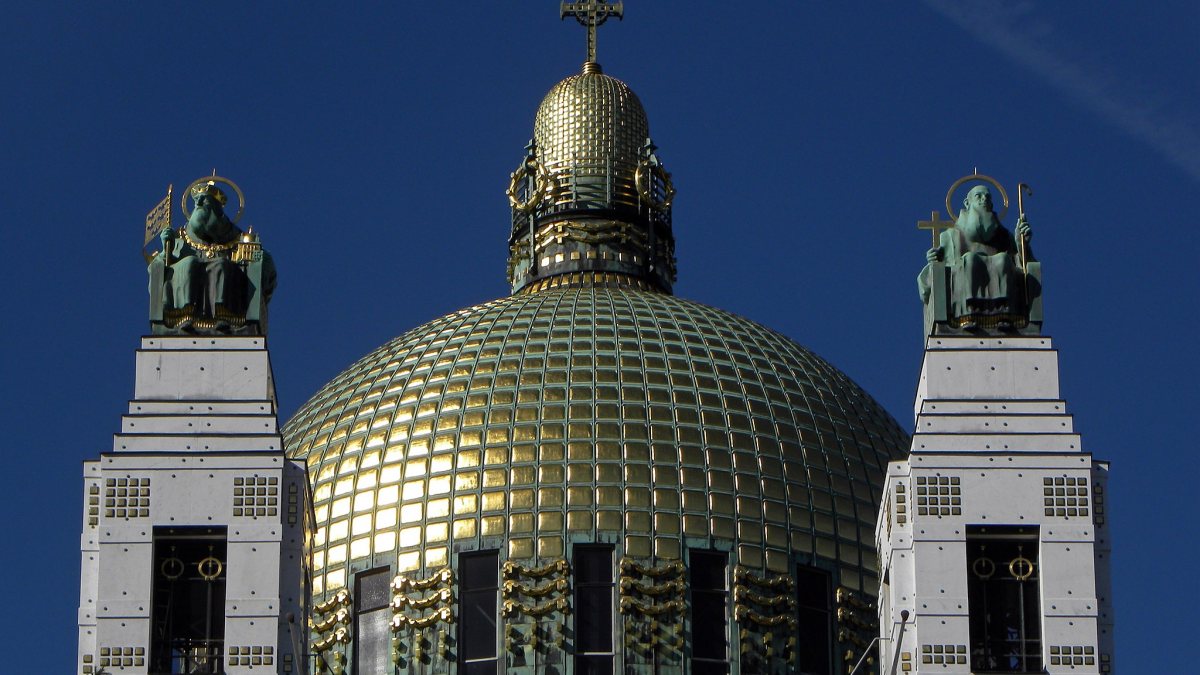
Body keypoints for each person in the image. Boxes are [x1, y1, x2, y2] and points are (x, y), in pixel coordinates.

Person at [151, 182, 276, 331]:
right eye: (196, 201)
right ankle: (185, 317)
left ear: (217, 208)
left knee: (221, 265)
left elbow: (265, 266)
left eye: (204, 200)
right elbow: (159, 263)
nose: (198, 203)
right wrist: (167, 249)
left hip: (227, 287)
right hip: (185, 281)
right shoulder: (178, 238)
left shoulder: (237, 238)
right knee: (189, 262)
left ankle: (225, 318)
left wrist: (259, 258)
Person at [924, 185, 1032, 329]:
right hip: (963, 277)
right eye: (979, 196)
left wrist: (1021, 245)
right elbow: (930, 277)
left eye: (988, 197)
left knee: (1003, 259)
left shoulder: (1005, 237)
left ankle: (1003, 314)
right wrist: (933, 261)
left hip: (1003, 279)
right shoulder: (950, 236)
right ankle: (969, 313)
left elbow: (1022, 266)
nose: (984, 199)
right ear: (967, 203)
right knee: (971, 259)